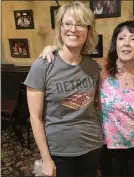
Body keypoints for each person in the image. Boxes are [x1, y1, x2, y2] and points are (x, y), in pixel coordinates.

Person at [39, 20, 134, 176]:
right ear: (115, 44)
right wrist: (53, 49)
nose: (127, 44)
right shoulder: (100, 71)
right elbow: (73, 59)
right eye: (121, 38)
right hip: (109, 147)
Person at [24, 2, 103, 177]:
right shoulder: (42, 66)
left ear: (88, 30)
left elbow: (96, 106)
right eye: (67, 23)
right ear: (60, 27)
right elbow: (35, 118)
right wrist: (46, 159)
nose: (73, 29)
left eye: (80, 24)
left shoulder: (94, 67)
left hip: (92, 145)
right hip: (59, 151)